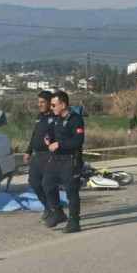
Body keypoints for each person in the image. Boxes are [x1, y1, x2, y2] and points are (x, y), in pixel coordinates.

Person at [43, 91, 84, 234]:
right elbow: (57, 134)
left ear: (63, 104)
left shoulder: (75, 119)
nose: (52, 107)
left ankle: (74, 222)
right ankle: (58, 212)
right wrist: (50, 139)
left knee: (71, 192)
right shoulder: (57, 119)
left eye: (54, 105)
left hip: (70, 160)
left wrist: (59, 144)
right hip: (56, 160)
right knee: (47, 184)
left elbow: (78, 141)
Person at [23, 91, 56, 221]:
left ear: (49, 102)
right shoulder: (39, 116)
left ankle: (55, 210)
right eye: (39, 102)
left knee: (47, 184)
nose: (40, 105)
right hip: (36, 156)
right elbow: (34, 135)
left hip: (48, 156)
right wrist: (28, 151)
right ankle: (47, 207)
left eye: (43, 102)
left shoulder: (55, 117)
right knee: (33, 182)